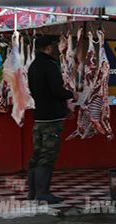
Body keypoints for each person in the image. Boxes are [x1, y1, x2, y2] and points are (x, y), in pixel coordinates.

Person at [27, 36, 75, 204]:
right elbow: (56, 90)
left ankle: (32, 192)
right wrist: (71, 94)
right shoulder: (49, 65)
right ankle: (43, 193)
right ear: (48, 48)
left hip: (39, 117)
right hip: (51, 118)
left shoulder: (33, 66)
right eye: (52, 47)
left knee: (37, 155)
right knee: (47, 156)